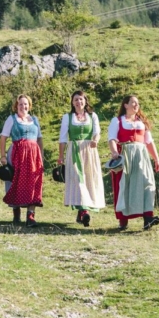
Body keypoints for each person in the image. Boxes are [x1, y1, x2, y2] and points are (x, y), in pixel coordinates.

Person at [108, 95, 159, 231]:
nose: (136, 105)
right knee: (125, 185)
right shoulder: (117, 121)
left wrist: (156, 159)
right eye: (133, 103)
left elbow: (149, 142)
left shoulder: (142, 122)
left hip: (141, 154)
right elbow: (112, 139)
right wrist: (114, 152)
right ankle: (123, 220)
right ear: (125, 105)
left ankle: (148, 218)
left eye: (137, 103)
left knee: (147, 183)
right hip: (125, 154)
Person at [57, 91, 105, 227]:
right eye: (76, 100)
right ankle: (84, 211)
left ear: (85, 101)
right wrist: (60, 156)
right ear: (72, 103)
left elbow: (97, 132)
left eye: (81, 99)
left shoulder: (92, 116)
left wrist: (95, 140)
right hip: (74, 150)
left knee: (88, 179)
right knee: (78, 179)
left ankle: (82, 212)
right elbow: (62, 137)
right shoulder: (68, 117)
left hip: (89, 150)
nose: (79, 102)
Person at [0, 94, 44, 227]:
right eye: (20, 104)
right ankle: (16, 212)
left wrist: (41, 156)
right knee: (16, 182)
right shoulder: (12, 119)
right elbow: (3, 137)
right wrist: (2, 156)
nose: (23, 107)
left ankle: (30, 215)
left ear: (29, 106)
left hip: (33, 155)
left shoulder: (34, 119)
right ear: (16, 106)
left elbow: (40, 139)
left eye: (25, 104)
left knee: (33, 183)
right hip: (17, 154)